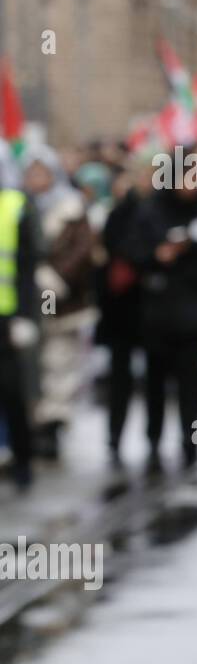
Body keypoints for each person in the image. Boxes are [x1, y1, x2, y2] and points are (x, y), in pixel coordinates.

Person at [125, 161, 197, 474]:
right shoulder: (152, 210)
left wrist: (192, 246)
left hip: (194, 312)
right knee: (155, 381)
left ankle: (191, 442)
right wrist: (157, 255)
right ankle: (153, 441)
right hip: (157, 313)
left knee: (190, 382)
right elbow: (133, 250)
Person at [22, 145, 98, 460]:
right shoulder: (21, 206)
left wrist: (53, 277)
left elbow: (82, 251)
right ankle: (33, 421)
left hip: (57, 295)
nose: (37, 179)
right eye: (31, 173)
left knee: (58, 357)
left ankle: (52, 424)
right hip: (27, 297)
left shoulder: (71, 206)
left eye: (42, 172)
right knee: (32, 361)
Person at [93, 164, 145, 469]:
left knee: (152, 379)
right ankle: (115, 437)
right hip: (121, 311)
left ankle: (153, 438)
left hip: (151, 311)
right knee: (120, 378)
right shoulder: (118, 215)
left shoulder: (154, 211)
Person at [0, 181, 41, 491]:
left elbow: (28, 267)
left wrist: (26, 316)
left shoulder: (16, 204)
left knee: (13, 391)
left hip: (7, 318)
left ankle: (23, 460)